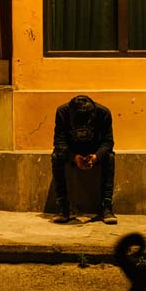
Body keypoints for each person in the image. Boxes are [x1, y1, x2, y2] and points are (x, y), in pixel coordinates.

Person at [51, 94, 117, 224]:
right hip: (72, 150)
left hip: (94, 150)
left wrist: (97, 156)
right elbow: (59, 142)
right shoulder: (62, 112)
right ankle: (62, 206)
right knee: (56, 156)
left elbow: (108, 142)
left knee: (109, 157)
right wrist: (73, 157)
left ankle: (106, 206)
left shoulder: (103, 113)